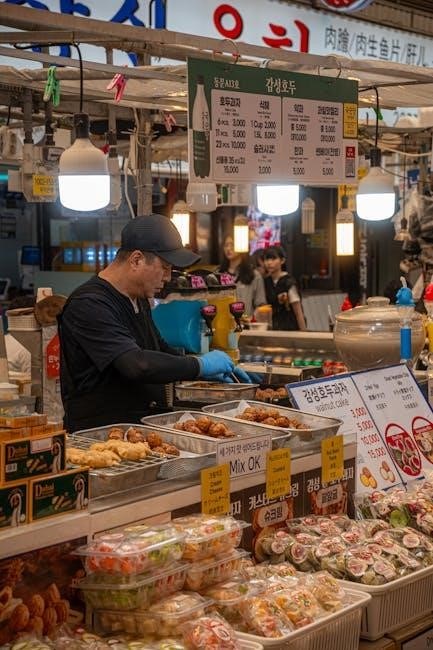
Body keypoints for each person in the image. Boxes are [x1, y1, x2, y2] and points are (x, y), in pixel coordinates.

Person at [59, 214, 250, 433]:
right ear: (136, 260)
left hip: (140, 431)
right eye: (165, 267)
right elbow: (137, 365)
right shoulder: (89, 304)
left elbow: (158, 348)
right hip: (100, 437)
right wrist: (199, 365)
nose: (168, 278)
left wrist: (205, 369)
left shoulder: (138, 298)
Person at [219, 235, 266, 319]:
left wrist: (251, 319)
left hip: (247, 324)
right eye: (226, 245)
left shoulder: (254, 275)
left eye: (232, 245)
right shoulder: (218, 274)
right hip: (223, 323)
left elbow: (261, 305)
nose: (228, 248)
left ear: (242, 246)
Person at [263, 246, 306, 331]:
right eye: (267, 259)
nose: (269, 262)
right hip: (273, 328)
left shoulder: (288, 282)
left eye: (273, 259)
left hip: (290, 328)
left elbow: (298, 312)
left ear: (282, 260)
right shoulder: (266, 281)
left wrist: (304, 332)